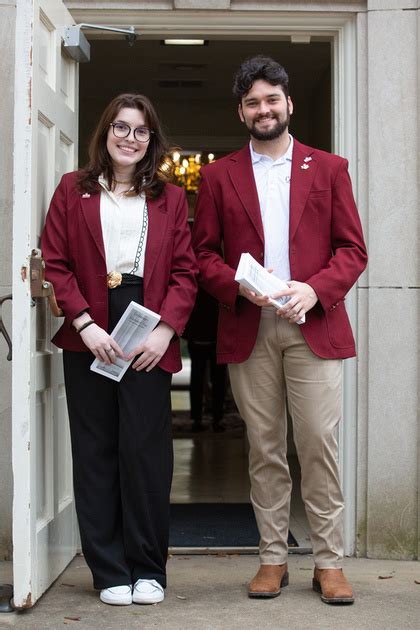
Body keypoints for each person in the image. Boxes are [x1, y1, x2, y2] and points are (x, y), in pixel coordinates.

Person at [192, 56, 367, 604]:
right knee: (264, 446)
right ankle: (272, 558)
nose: (263, 109)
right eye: (252, 102)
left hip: (312, 323)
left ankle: (328, 561)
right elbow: (201, 255)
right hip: (250, 323)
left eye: (271, 99)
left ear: (288, 103)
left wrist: (314, 290)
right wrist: (233, 286)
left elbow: (352, 250)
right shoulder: (218, 175)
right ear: (241, 111)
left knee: (317, 442)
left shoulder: (330, 168)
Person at [41, 93, 197, 606]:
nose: (130, 138)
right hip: (90, 326)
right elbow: (56, 262)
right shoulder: (72, 190)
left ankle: (149, 569)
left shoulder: (170, 198)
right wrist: (83, 323)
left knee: (146, 455)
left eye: (141, 131)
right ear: (105, 132)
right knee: (95, 453)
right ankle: (108, 570)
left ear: (152, 141)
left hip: (147, 329)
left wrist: (165, 330)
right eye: (121, 128)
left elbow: (184, 272)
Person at [183, 286, 227, 432]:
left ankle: (201, 419)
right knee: (214, 380)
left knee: (199, 380)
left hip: (205, 337)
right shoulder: (213, 284)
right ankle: (215, 419)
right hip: (208, 337)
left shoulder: (195, 283)